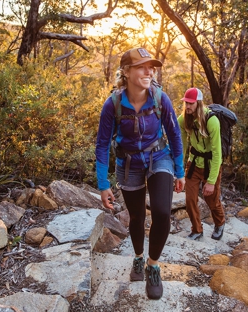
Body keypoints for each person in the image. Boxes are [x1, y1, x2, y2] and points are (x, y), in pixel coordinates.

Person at [95, 47, 185, 300]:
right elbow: (102, 145)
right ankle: (137, 257)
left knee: (162, 212)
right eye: (141, 66)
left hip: (159, 156)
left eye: (151, 67)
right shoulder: (112, 104)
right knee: (135, 217)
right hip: (129, 162)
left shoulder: (160, 98)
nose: (149, 71)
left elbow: (174, 134)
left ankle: (152, 265)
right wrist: (103, 184)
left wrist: (179, 171)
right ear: (126, 71)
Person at [177, 87, 225, 241]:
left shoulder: (212, 121)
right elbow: (182, 147)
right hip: (193, 164)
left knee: (212, 200)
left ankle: (220, 223)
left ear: (198, 103)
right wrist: (178, 171)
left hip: (211, 165)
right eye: (186, 103)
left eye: (190, 103)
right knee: (190, 199)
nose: (188, 106)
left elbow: (218, 154)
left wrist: (211, 181)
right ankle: (197, 230)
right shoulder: (184, 119)